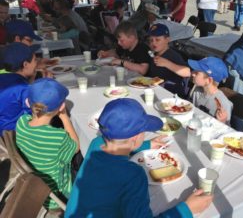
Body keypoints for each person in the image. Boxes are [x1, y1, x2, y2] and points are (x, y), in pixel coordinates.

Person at [65, 98, 213, 217]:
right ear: (136, 138)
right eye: (144, 131)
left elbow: (120, 145)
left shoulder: (96, 143)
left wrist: (147, 144)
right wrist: (187, 209)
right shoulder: (133, 175)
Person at [16, 78, 80, 210]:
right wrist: (64, 117)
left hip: (37, 189)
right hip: (57, 196)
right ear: (62, 106)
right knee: (83, 161)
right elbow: (76, 146)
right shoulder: (58, 137)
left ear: (28, 102)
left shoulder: (21, 123)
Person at [0, 42, 39, 136]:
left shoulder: (3, 78)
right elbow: (34, 117)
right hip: (13, 136)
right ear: (25, 64)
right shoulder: (23, 89)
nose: (36, 63)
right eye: (34, 60)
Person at [147, 23, 188, 98]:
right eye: (151, 40)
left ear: (167, 40)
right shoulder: (154, 53)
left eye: (157, 40)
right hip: (156, 91)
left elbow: (187, 72)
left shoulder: (173, 55)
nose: (153, 43)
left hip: (171, 95)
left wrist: (167, 63)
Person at [189, 57, 233, 124]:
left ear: (209, 80)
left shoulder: (224, 104)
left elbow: (226, 130)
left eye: (197, 73)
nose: (192, 73)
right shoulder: (196, 90)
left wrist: (222, 121)